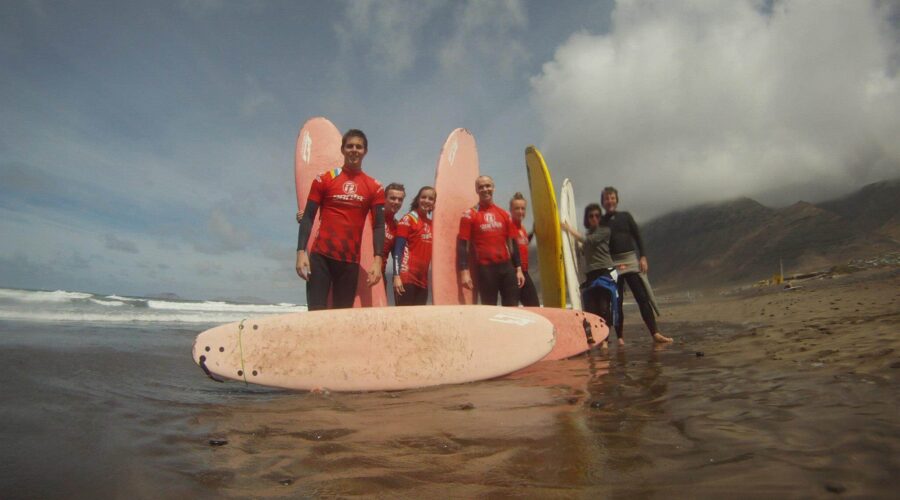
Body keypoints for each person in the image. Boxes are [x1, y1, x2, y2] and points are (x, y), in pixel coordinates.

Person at [295, 129, 386, 311]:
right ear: (342, 149)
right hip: (321, 257)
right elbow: (308, 217)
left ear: (365, 152)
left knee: (341, 316)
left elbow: (378, 226)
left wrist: (377, 260)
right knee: (316, 312)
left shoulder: (374, 187)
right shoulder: (324, 180)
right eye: (350, 146)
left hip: (350, 261)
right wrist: (300, 252)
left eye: (359, 147)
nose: (354, 150)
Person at [601, 186, 673, 344]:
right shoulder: (601, 222)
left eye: (612, 197)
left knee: (642, 297)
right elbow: (597, 245)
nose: (610, 201)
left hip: (631, 261)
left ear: (616, 200)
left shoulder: (626, 217)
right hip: (613, 263)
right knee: (616, 302)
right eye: (607, 198)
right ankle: (619, 337)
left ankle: (655, 333)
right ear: (603, 202)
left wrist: (643, 257)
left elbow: (637, 235)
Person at [457, 175, 525, 306]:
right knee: (489, 310)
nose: (485, 189)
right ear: (476, 190)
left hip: (507, 268)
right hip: (486, 270)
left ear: (493, 188)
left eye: (488, 186)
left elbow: (513, 243)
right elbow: (462, 245)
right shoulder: (469, 215)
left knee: (512, 309)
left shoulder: (504, 214)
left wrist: (518, 269)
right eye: (481, 187)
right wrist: (464, 272)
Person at [561, 203, 616, 349]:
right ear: (587, 218)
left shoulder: (604, 231)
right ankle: (597, 338)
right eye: (591, 216)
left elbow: (587, 242)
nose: (594, 218)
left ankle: (605, 340)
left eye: (597, 215)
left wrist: (568, 229)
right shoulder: (589, 234)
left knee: (604, 308)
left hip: (604, 272)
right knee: (591, 309)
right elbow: (583, 250)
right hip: (591, 275)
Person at [392, 186, 436, 306]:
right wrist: (396, 276)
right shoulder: (408, 220)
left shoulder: (432, 224)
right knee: (403, 320)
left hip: (422, 281)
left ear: (434, 204)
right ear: (417, 199)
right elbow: (398, 250)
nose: (426, 200)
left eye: (431, 199)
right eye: (423, 197)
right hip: (406, 278)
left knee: (418, 320)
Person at [509, 192, 540, 306]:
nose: (520, 211)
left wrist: (533, 233)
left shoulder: (522, 228)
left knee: (534, 306)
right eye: (517, 208)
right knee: (513, 309)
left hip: (525, 272)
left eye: (523, 208)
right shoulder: (509, 226)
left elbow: (523, 244)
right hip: (513, 273)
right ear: (511, 210)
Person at [382, 183, 406, 280]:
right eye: (392, 198)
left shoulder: (397, 226)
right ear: (384, 198)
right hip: (361, 271)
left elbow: (398, 255)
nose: (396, 202)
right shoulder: (371, 216)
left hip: (379, 275)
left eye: (400, 200)